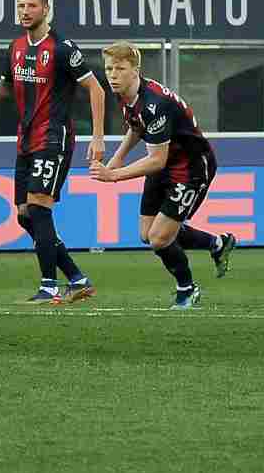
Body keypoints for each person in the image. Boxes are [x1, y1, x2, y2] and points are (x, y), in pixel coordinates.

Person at [0, 0, 106, 304]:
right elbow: (5, 86)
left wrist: (98, 138)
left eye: (31, 5)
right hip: (25, 140)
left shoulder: (61, 48)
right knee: (24, 215)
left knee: (40, 208)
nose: (25, 11)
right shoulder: (15, 47)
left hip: (53, 137)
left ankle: (49, 287)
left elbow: (96, 90)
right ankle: (77, 278)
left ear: (45, 9)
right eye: (20, 6)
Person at [90, 41, 237, 309]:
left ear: (135, 70)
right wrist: (117, 158)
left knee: (160, 238)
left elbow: (156, 160)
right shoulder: (126, 92)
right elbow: (137, 127)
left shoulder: (155, 104)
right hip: (169, 161)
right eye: (109, 68)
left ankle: (187, 289)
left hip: (191, 167)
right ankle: (217, 243)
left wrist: (113, 175)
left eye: (119, 68)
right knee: (148, 234)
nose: (112, 74)